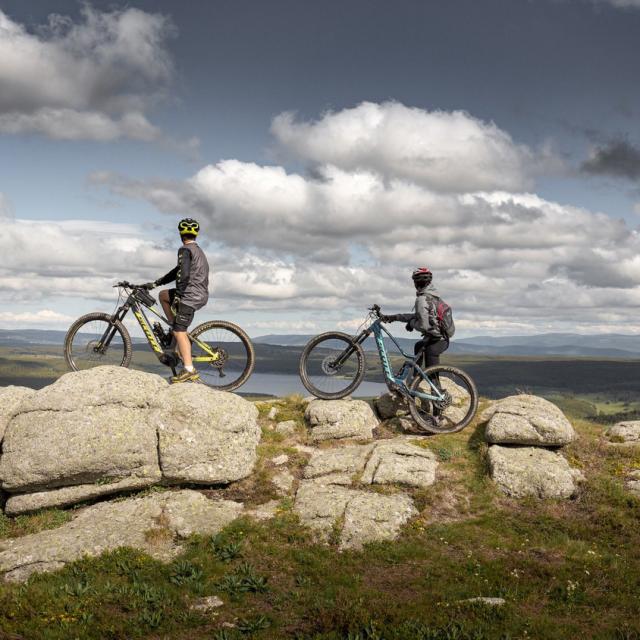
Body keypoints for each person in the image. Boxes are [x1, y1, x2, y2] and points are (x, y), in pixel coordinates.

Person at [145, 218, 210, 383]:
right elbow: (177, 271)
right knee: (163, 295)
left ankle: (189, 369)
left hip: (190, 295)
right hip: (197, 294)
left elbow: (184, 275)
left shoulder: (185, 250)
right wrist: (156, 283)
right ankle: (175, 332)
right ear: (195, 234)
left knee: (180, 331)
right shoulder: (197, 250)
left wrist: (179, 296)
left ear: (181, 234)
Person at [381, 266, 450, 373]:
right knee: (418, 346)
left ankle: (435, 385)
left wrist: (411, 323)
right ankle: (416, 379)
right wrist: (394, 317)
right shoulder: (433, 296)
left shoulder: (422, 300)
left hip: (437, 338)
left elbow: (424, 326)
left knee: (430, 353)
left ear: (416, 283)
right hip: (441, 337)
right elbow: (418, 316)